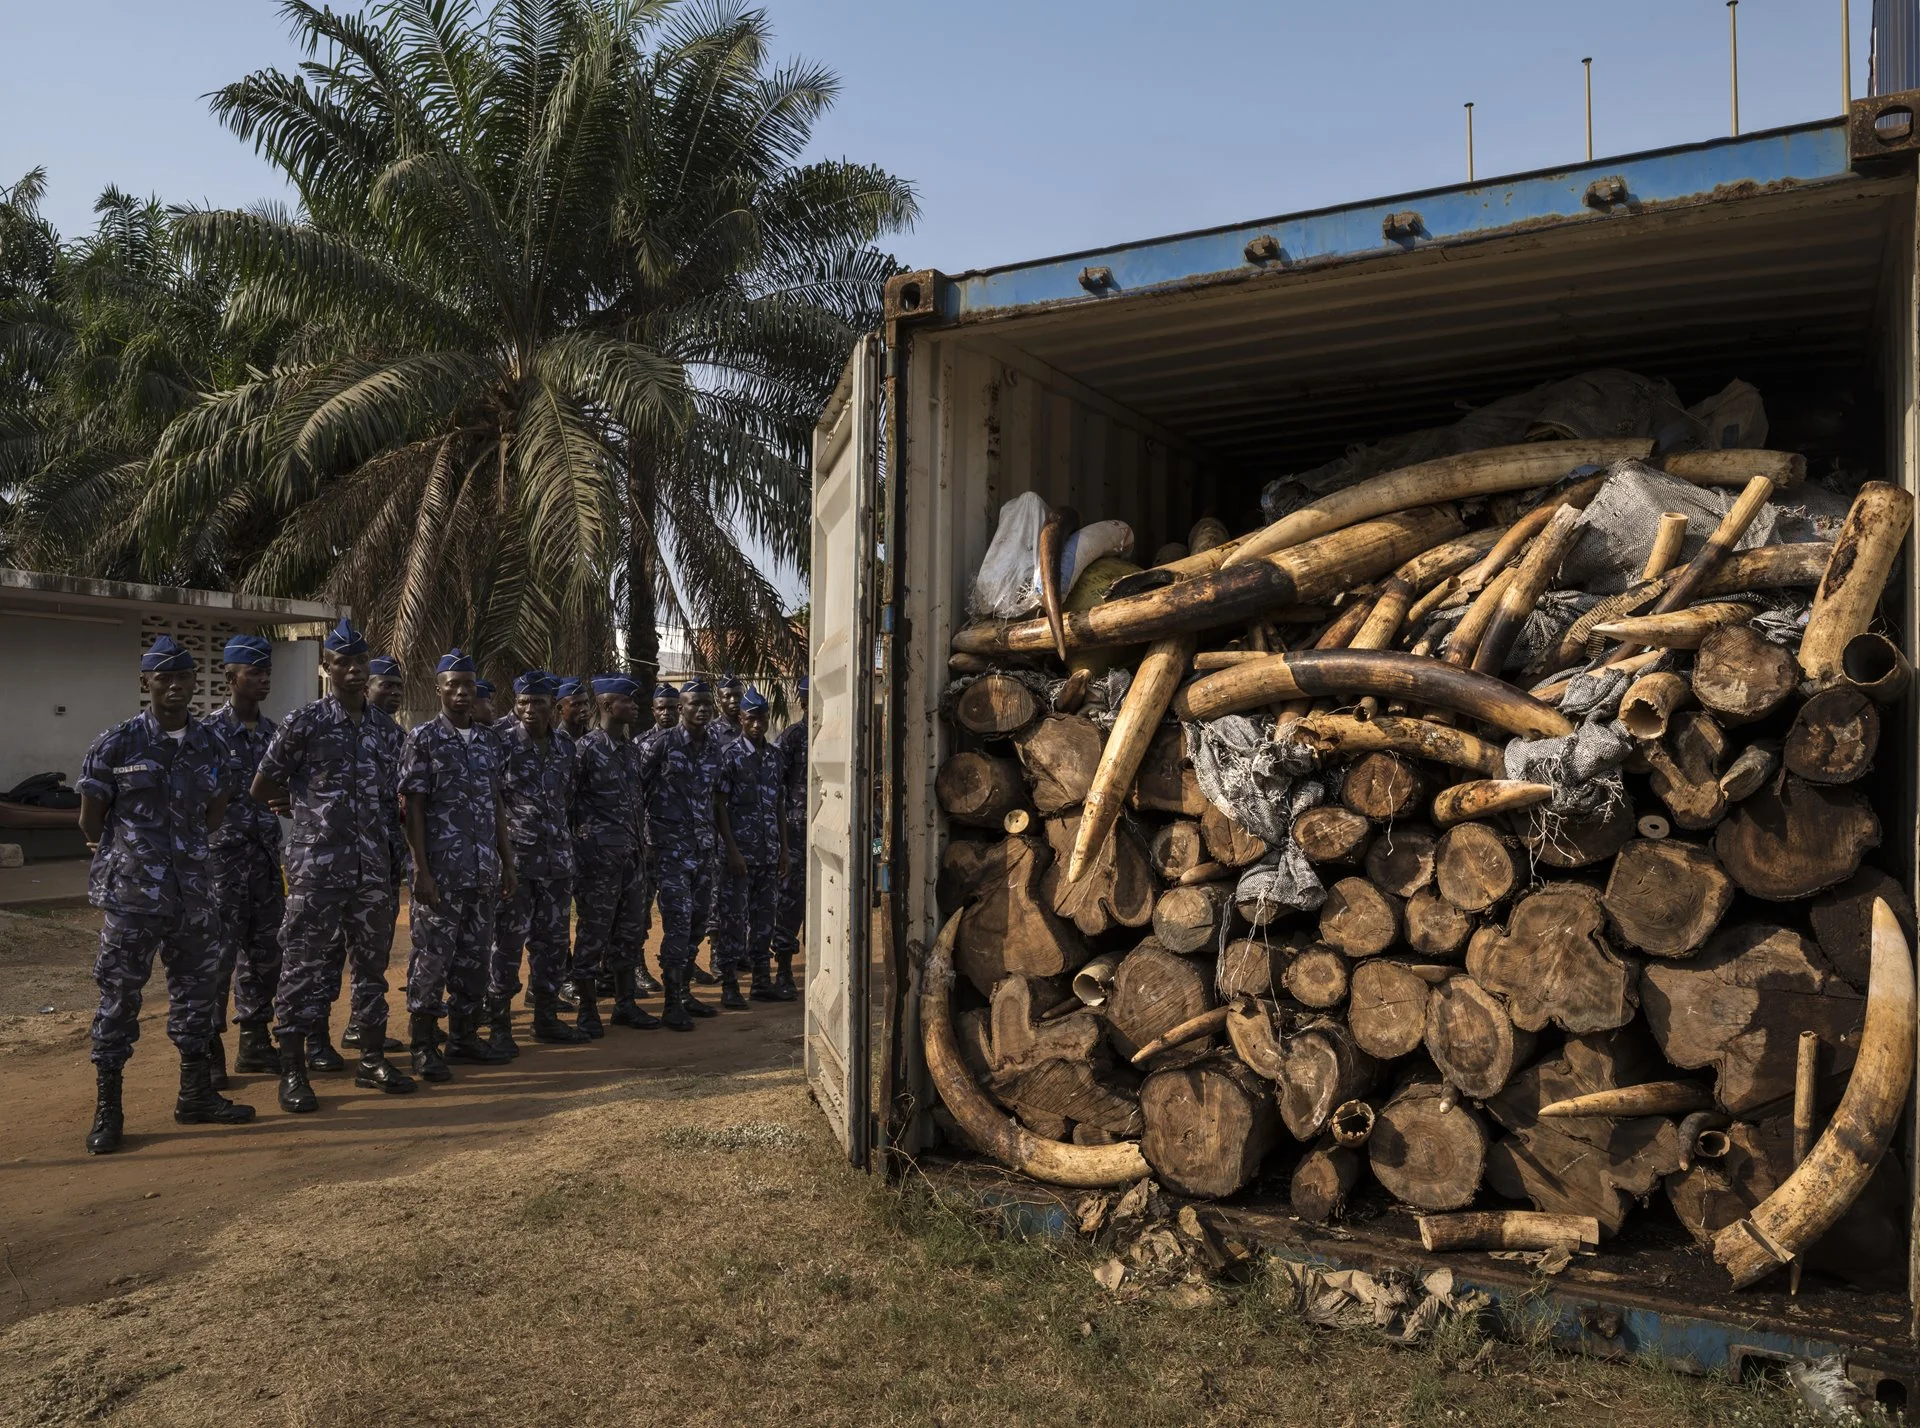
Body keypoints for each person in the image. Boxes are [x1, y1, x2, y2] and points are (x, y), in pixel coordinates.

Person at [77, 635, 254, 1153]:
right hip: (133, 897)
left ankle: (195, 1095)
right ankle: (109, 1110)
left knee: (197, 995)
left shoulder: (212, 744)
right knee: (119, 1000)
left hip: (195, 894)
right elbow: (91, 817)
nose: (175, 687)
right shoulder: (117, 744)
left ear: (195, 684)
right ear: (146, 683)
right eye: (164, 679)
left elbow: (216, 809)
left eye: (183, 678)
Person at [254, 618, 414, 1111]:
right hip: (317, 871)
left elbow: (395, 799)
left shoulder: (388, 731)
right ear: (327, 667)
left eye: (360, 662)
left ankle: (370, 1058)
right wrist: (298, 810)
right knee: (302, 968)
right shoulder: (304, 723)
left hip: (371, 871)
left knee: (371, 969)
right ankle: (294, 1071)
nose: (352, 670)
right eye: (342, 662)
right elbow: (263, 787)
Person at [401, 650, 517, 1078]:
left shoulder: (489, 741)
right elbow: (413, 808)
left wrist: (508, 862)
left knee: (473, 959)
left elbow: (496, 805)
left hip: (483, 869)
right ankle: (424, 1044)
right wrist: (421, 869)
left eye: (468, 684)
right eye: (453, 685)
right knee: (433, 957)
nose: (462, 692)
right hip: (442, 874)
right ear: (439, 689)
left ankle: (464, 1037)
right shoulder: (423, 738)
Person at [489, 670, 587, 1051]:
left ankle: (545, 1018)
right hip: (515, 863)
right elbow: (491, 800)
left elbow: (568, 798)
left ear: (553, 707)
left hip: (557, 863)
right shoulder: (500, 742)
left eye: (539, 703)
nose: (530, 709)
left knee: (552, 943)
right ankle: (499, 1026)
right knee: (508, 945)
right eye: (523, 703)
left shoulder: (565, 748)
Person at [208, 635, 285, 1084]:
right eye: (254, 673)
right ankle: (208, 1048)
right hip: (221, 860)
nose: (262, 680)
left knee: (265, 952)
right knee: (217, 954)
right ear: (230, 677)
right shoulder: (207, 734)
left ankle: (255, 1040)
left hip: (263, 858)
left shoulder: (276, 734)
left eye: (267, 673)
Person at [569, 675, 658, 1034]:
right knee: (593, 933)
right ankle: (588, 1009)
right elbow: (568, 802)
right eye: (629, 701)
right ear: (607, 706)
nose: (635, 707)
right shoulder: (585, 749)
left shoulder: (631, 750)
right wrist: (585, 846)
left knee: (629, 932)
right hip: (598, 863)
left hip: (632, 859)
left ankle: (625, 1004)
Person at [638, 679, 727, 1030]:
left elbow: (715, 799)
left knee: (698, 922)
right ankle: (672, 1002)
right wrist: (645, 842)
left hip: (703, 849)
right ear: (681, 708)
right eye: (694, 704)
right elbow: (638, 791)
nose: (702, 709)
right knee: (677, 921)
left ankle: (686, 991)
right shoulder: (662, 743)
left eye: (707, 704)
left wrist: (723, 846)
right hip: (669, 850)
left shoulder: (713, 748)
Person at [342, 652, 409, 1058]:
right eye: (387, 685)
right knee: (328, 952)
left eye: (399, 687)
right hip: (334, 863)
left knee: (374, 950)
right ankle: (313, 1039)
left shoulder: (397, 737)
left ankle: (360, 1026)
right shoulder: (330, 726)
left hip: (382, 860)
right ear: (367, 687)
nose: (395, 693)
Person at [714, 689, 788, 1007]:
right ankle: (730, 985)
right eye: (751, 719)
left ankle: (761, 981)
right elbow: (718, 806)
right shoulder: (729, 756)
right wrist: (731, 850)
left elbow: (779, 806)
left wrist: (784, 849)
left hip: (769, 854)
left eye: (762, 718)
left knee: (764, 920)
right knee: (733, 919)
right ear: (741, 719)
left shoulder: (774, 757)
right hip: (739, 855)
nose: (757, 725)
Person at [768, 676, 809, 1001]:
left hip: (833, 832)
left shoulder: (846, 732)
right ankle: (783, 970)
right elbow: (775, 790)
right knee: (790, 902)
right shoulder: (794, 737)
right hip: (795, 835)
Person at [367, 654, 406, 719]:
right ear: (365, 690)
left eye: (400, 687)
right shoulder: (349, 725)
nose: (397, 692)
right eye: (387, 686)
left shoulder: (395, 729)